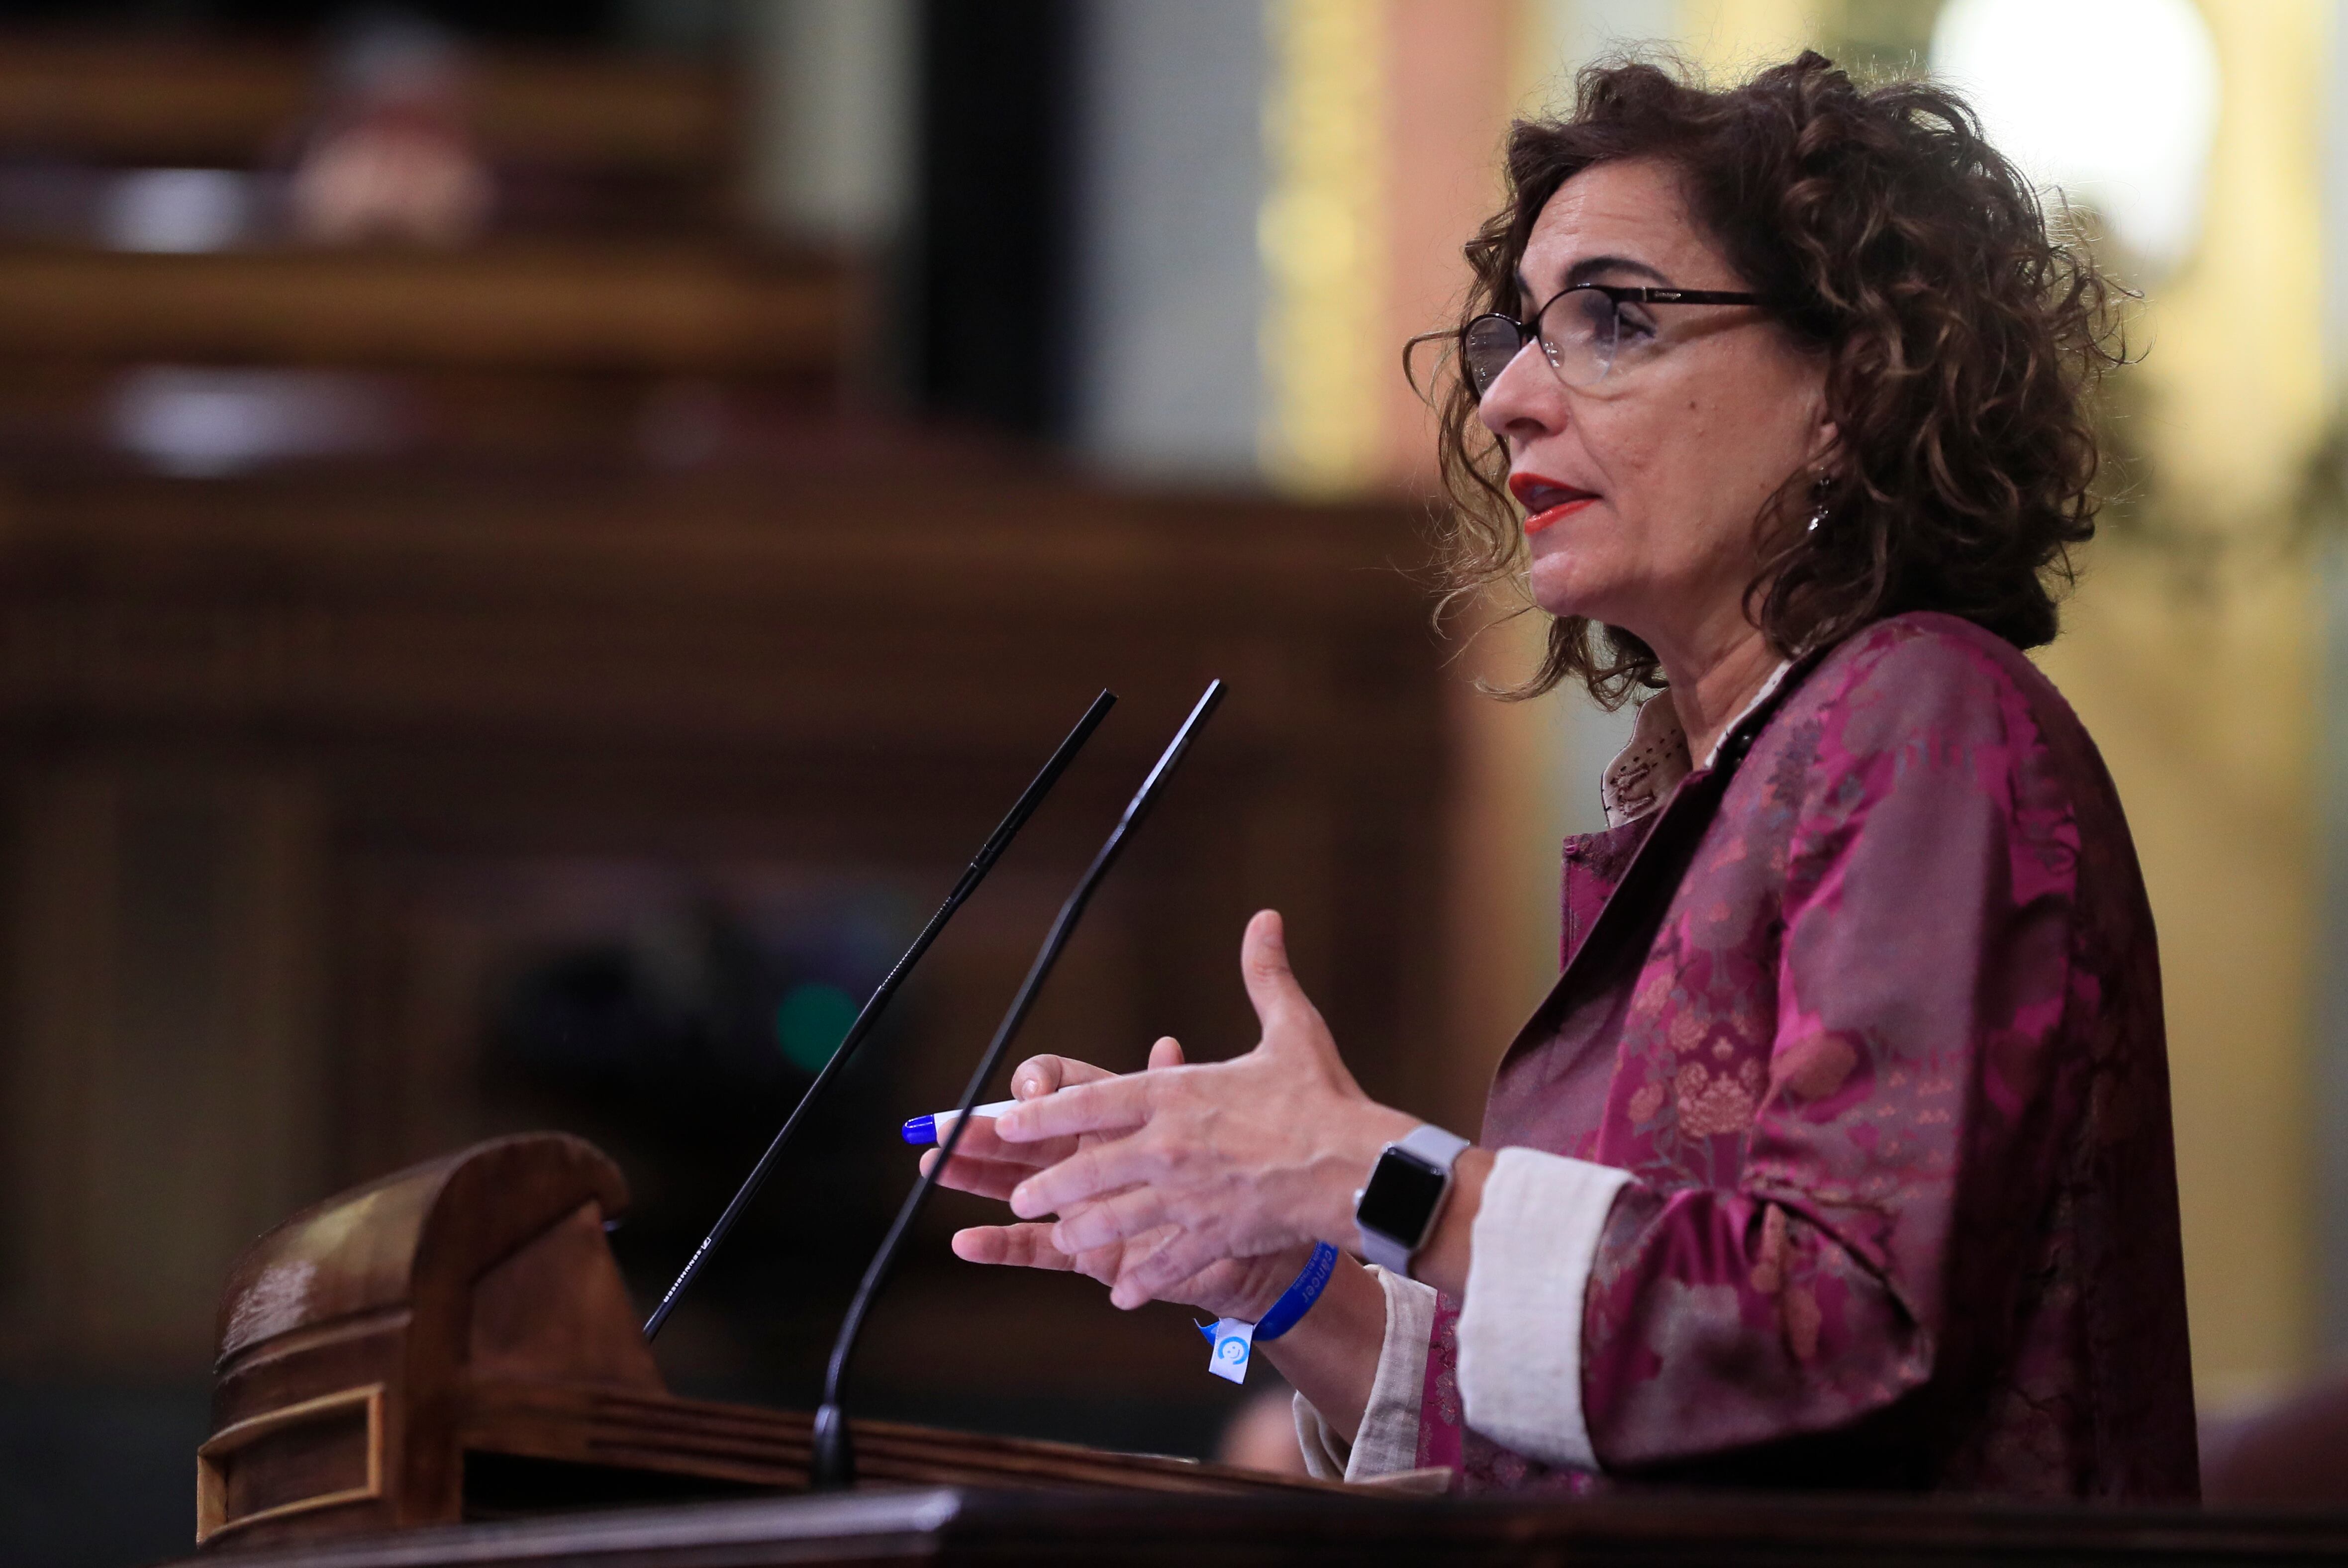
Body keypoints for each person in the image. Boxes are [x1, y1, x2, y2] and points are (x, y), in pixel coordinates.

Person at [925, 52, 2196, 1497]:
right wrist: (1281, 1275)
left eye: (1611, 318)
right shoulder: (1718, 791)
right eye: (1518, 335)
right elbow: (1627, 1419)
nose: (1513, 398)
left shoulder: (1926, 720)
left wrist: (1367, 1169)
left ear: (1851, 376)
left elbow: (1840, 1334)